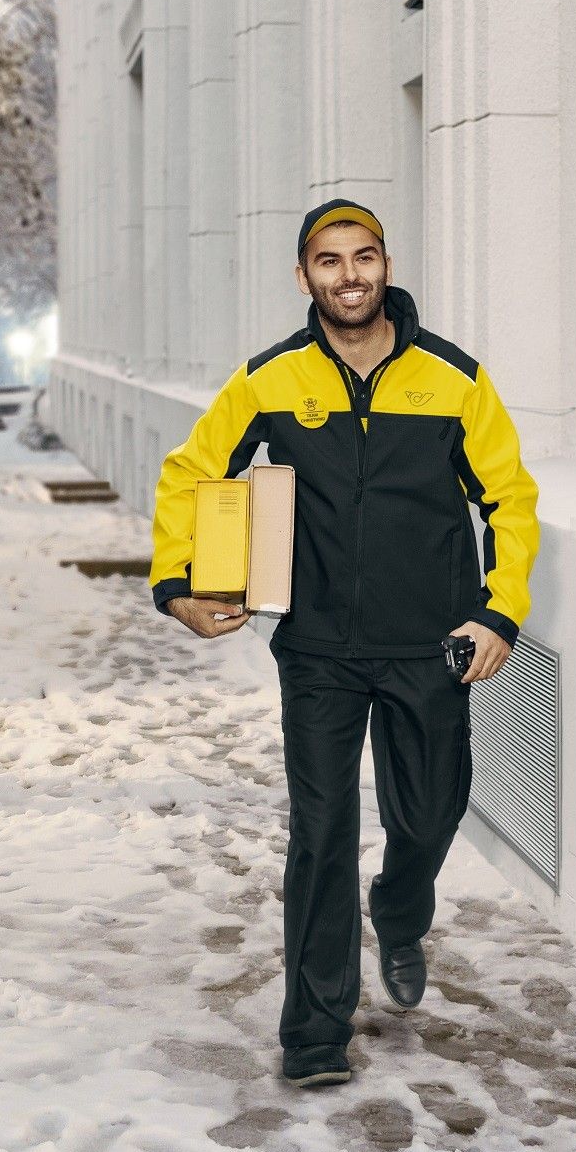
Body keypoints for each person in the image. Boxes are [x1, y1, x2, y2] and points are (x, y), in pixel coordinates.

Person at [147, 197, 541, 1089]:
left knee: (430, 814)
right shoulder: (268, 380)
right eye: (329, 261)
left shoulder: (455, 380)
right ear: (304, 276)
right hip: (318, 646)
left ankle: (400, 911)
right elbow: (194, 471)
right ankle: (316, 1029)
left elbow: (509, 500)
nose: (349, 275)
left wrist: (497, 609)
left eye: (363, 257)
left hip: (430, 643)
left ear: (386, 265)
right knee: (321, 834)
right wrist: (180, 582)